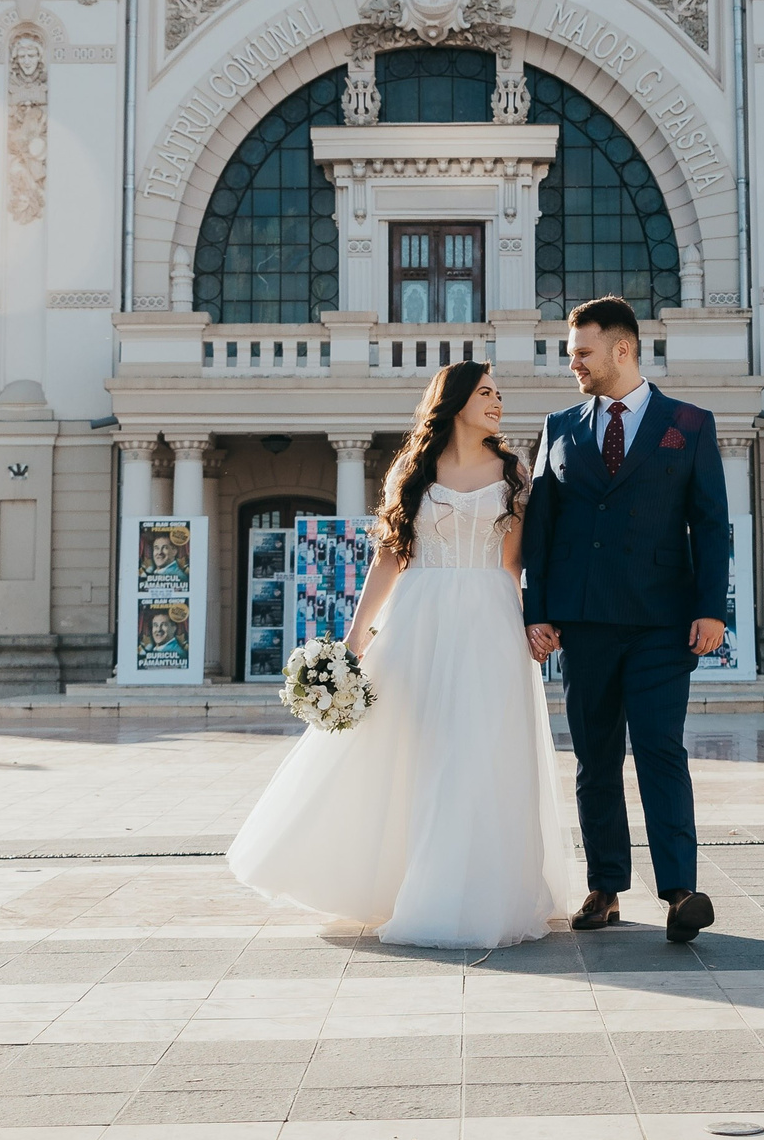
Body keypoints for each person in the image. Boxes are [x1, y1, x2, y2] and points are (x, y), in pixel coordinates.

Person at [229, 361, 574, 948]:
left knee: (481, 750)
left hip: (489, 617)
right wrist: (356, 640)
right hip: (418, 617)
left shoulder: (515, 472)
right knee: (413, 749)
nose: (497, 401)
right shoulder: (412, 470)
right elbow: (391, 557)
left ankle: (476, 892)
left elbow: (517, 560)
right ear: (456, 401)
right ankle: (400, 881)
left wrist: (533, 618)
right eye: (486, 392)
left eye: (498, 393)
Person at [522, 296, 730, 943]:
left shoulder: (689, 423)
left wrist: (711, 608)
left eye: (582, 352)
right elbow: (541, 528)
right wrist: (536, 611)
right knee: (596, 757)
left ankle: (680, 891)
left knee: (661, 749)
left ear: (622, 349)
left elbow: (711, 523)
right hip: (584, 622)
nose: (573, 364)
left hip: (663, 621)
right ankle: (605, 887)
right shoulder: (559, 426)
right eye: (571, 354)